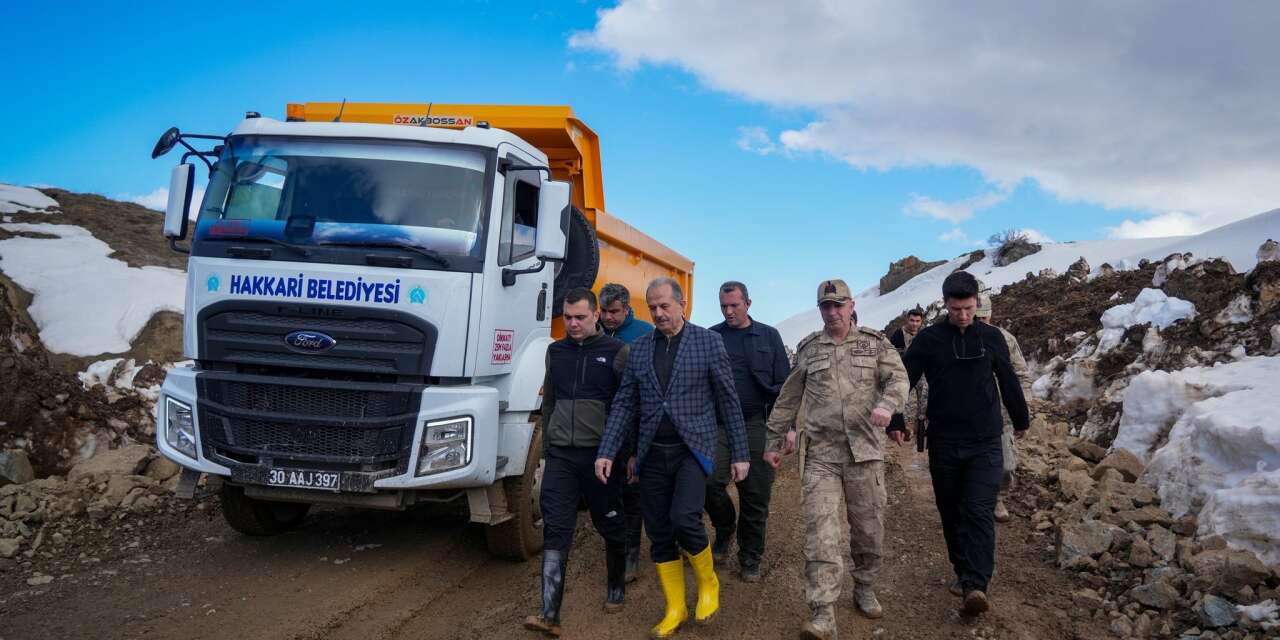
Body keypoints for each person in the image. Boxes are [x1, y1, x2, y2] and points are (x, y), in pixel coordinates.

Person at [594, 277, 750, 639]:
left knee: (684, 518)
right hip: (652, 453)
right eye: (653, 307)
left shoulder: (708, 342)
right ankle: (675, 607)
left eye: (665, 306)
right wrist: (607, 451)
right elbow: (625, 403)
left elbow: (728, 399)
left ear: (682, 304)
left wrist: (741, 453)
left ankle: (708, 583)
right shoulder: (640, 349)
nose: (659, 313)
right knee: (660, 531)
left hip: (691, 449)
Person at [764, 279, 909, 640]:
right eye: (825, 307)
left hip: (866, 454)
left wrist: (887, 405)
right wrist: (773, 439)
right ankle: (822, 612)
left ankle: (865, 584)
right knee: (821, 535)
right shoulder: (810, 349)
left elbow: (899, 380)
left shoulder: (875, 344)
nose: (832, 313)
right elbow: (788, 398)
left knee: (868, 530)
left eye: (838, 305)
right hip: (822, 458)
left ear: (851, 305)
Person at [900, 271, 1030, 616]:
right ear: (945, 305)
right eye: (956, 309)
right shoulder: (928, 339)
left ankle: (976, 584)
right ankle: (961, 570)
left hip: (985, 440)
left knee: (978, 509)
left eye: (969, 308)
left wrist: (1021, 419)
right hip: (944, 441)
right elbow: (903, 380)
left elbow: (1008, 379)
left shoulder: (992, 337)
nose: (963, 315)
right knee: (950, 510)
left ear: (977, 304)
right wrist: (896, 418)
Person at [524, 288, 631, 637]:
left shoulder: (617, 353)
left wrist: (624, 454)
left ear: (596, 315)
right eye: (568, 317)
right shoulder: (555, 352)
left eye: (580, 317)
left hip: (601, 458)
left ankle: (616, 586)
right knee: (556, 527)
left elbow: (627, 408)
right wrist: (547, 448)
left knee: (609, 524)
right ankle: (549, 613)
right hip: (562, 458)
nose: (572, 323)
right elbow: (550, 401)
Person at [705, 281, 792, 582]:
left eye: (734, 305)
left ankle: (750, 555)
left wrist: (788, 429)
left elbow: (785, 386)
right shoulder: (711, 337)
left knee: (756, 494)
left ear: (748, 303)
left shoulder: (769, 336)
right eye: (723, 306)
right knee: (708, 480)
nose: (729, 311)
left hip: (757, 423)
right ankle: (725, 527)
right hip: (718, 424)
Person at [598, 282, 654, 583]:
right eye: (604, 311)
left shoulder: (644, 333)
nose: (608, 318)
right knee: (609, 492)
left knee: (632, 492)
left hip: (635, 422)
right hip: (600, 424)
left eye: (614, 312)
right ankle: (615, 547)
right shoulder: (593, 332)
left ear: (627, 308)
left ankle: (631, 554)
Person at [974, 293, 1032, 524]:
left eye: (983, 318)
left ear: (989, 315)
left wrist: (1022, 410)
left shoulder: (1005, 339)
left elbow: (1022, 375)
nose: (979, 323)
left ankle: (997, 495)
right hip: (969, 415)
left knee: (1006, 465)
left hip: (1003, 414)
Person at [888, 308, 928, 439]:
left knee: (924, 401)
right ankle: (903, 429)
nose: (914, 324)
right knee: (904, 401)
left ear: (921, 321)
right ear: (907, 319)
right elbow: (892, 355)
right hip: (905, 374)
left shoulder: (925, 334)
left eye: (917, 321)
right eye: (912, 320)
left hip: (923, 374)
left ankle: (921, 428)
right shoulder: (899, 334)